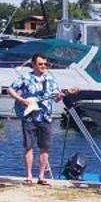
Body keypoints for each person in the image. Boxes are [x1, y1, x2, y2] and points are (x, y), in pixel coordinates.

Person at [5, 52, 71, 184]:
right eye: (40, 64)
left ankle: (41, 176)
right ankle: (29, 175)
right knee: (28, 146)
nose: (43, 66)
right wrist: (21, 100)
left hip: (45, 117)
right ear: (34, 64)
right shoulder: (25, 78)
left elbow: (56, 99)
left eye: (45, 64)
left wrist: (60, 96)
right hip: (29, 116)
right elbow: (10, 89)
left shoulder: (50, 80)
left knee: (45, 147)